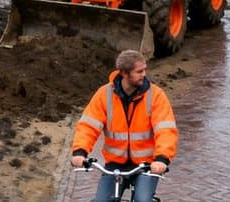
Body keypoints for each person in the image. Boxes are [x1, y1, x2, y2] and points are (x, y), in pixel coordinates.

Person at [70, 50, 178, 202]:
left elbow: (166, 130)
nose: (144, 74)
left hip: (146, 165)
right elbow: (88, 126)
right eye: (139, 71)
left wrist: (161, 159)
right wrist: (79, 152)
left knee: (142, 200)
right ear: (124, 74)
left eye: (144, 70)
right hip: (115, 164)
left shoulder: (156, 95)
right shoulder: (104, 94)